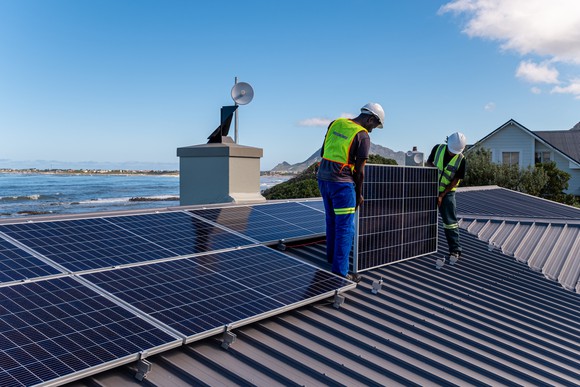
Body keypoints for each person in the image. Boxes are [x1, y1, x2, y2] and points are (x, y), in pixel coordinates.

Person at [317, 102, 385, 282]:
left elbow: (324, 150)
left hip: (323, 178)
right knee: (345, 227)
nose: (373, 130)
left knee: (331, 220)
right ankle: (340, 272)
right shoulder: (362, 136)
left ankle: (331, 258)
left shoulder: (336, 123)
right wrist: (359, 194)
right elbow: (359, 171)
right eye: (375, 125)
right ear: (370, 119)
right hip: (342, 185)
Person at [426, 132, 467, 268]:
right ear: (447, 143)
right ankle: (422, 246)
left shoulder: (461, 159)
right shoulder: (438, 148)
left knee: (450, 222)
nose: (452, 153)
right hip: (430, 188)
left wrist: (442, 195)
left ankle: (455, 250)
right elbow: (429, 163)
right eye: (451, 150)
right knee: (424, 218)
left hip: (448, 193)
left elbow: (455, 180)